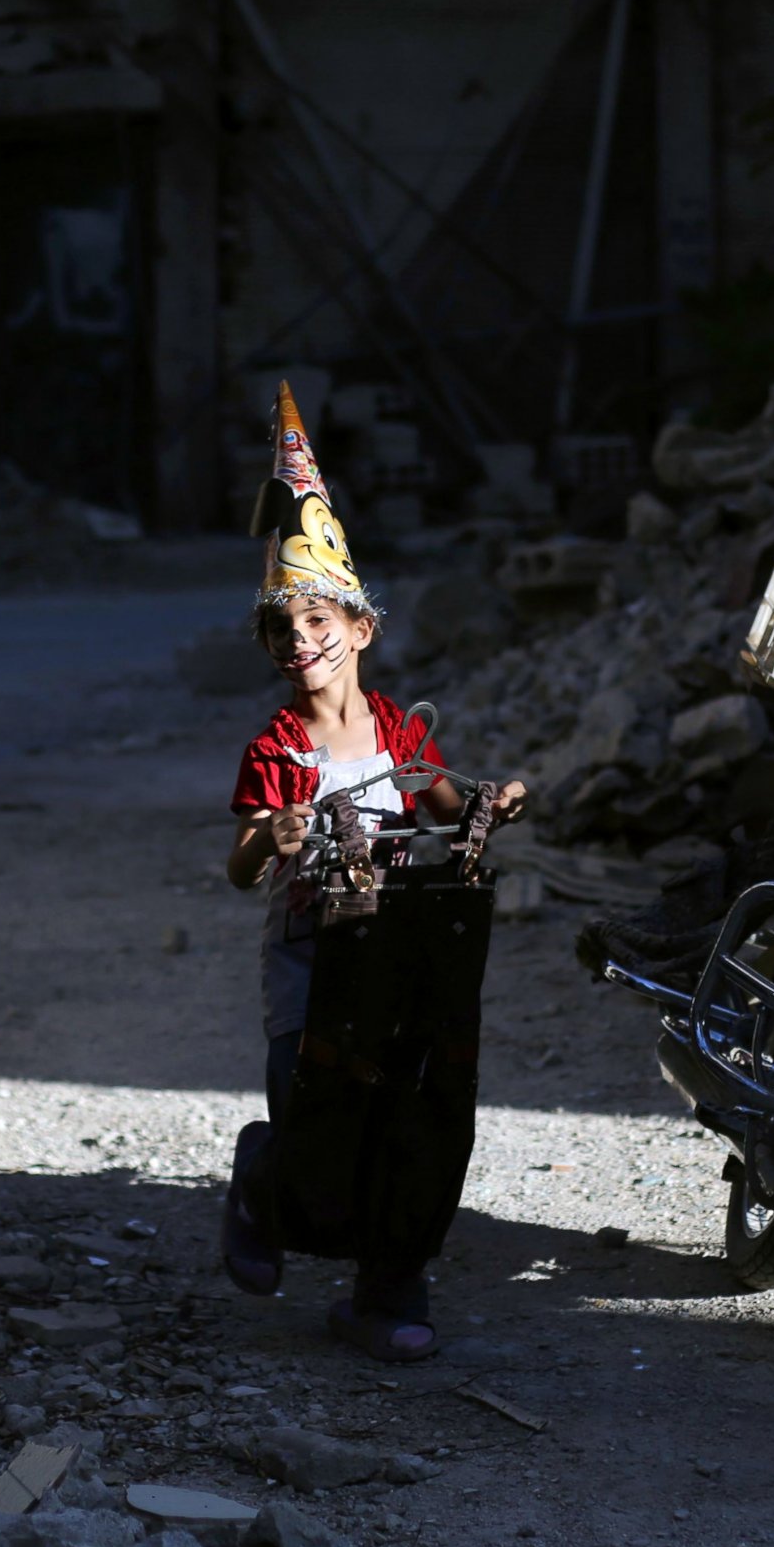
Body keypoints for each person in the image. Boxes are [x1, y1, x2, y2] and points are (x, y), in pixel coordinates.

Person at [221, 382, 527, 1363]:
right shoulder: (275, 745)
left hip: (394, 950)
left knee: (414, 1104)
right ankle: (261, 1182)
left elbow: (440, 801)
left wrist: (487, 802)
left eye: (317, 620)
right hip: (312, 955)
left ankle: (390, 1287)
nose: (300, 642)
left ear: (360, 626)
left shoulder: (399, 727)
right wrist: (273, 835)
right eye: (283, 629)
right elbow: (237, 868)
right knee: (312, 1107)